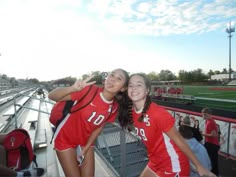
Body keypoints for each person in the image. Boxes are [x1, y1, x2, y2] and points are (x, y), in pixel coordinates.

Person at [124, 73, 216, 177]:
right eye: (130, 85)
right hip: (155, 161)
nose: (134, 88)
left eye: (139, 84)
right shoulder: (132, 111)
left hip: (173, 165)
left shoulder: (158, 113)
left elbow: (180, 140)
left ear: (147, 90)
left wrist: (199, 166)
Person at [48, 68, 130, 177]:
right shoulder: (89, 90)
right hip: (65, 139)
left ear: (123, 88)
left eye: (118, 78)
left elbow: (99, 126)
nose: (112, 80)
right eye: (112, 75)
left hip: (85, 142)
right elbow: (51, 96)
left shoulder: (114, 107)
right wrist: (73, 88)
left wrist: (87, 146)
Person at [201, 107, 220, 176]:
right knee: (210, 160)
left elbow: (214, 135)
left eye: (205, 114)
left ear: (209, 114)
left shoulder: (211, 122)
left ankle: (215, 174)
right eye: (202, 114)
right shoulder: (207, 121)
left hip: (212, 145)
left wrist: (202, 134)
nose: (203, 116)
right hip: (209, 143)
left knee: (213, 162)